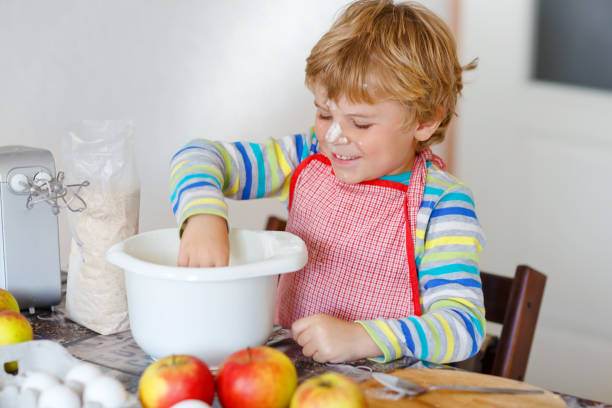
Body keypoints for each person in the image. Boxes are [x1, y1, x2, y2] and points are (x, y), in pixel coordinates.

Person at [169, 0, 485, 365]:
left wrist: (362, 337)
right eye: (324, 113)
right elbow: (197, 156)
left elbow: (463, 327)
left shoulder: (442, 203)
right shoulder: (308, 155)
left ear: (425, 120)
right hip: (289, 375)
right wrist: (203, 216)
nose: (334, 135)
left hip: (388, 390)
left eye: (361, 123)